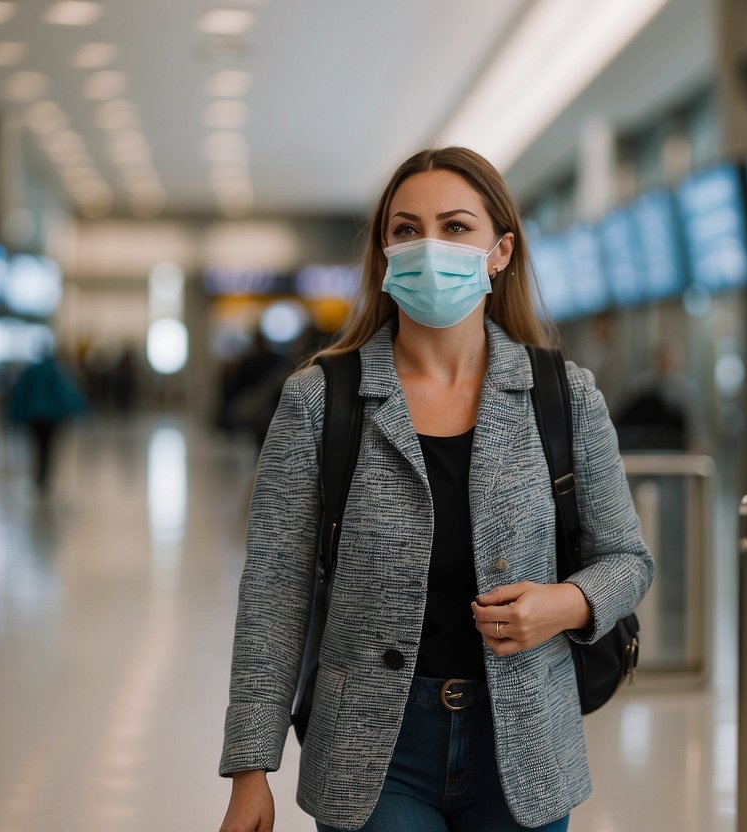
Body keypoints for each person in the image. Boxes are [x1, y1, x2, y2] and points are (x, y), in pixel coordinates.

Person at [217, 147, 654, 832]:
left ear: (499, 250)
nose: (428, 246)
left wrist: (565, 603)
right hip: (372, 751)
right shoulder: (319, 401)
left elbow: (627, 559)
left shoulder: (562, 395)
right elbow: (274, 593)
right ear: (383, 253)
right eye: (405, 229)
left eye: (454, 228)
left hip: (524, 745)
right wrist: (250, 769)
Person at [7, 347, 87, 492]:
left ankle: (38, 474)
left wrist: (14, 414)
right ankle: (44, 475)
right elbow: (64, 393)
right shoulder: (55, 372)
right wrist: (78, 410)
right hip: (51, 417)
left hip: (34, 416)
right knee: (48, 447)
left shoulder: (30, 371)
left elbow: (19, 392)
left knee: (36, 445)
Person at [613, 343, 706, 452]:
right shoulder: (639, 386)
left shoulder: (688, 389)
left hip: (678, 447)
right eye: (662, 360)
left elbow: (696, 421)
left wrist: (698, 443)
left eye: (668, 360)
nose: (665, 363)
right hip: (643, 447)